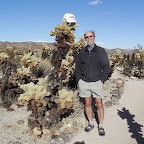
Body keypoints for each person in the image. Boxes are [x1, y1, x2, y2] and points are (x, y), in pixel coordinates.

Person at [74, 31, 111, 136]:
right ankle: (91, 123)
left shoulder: (100, 51)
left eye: (91, 36)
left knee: (99, 104)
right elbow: (78, 68)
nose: (89, 38)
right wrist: (79, 80)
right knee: (87, 103)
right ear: (84, 39)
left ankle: (101, 125)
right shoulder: (82, 52)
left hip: (97, 82)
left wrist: (102, 80)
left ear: (94, 37)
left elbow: (107, 68)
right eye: (87, 37)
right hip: (84, 83)